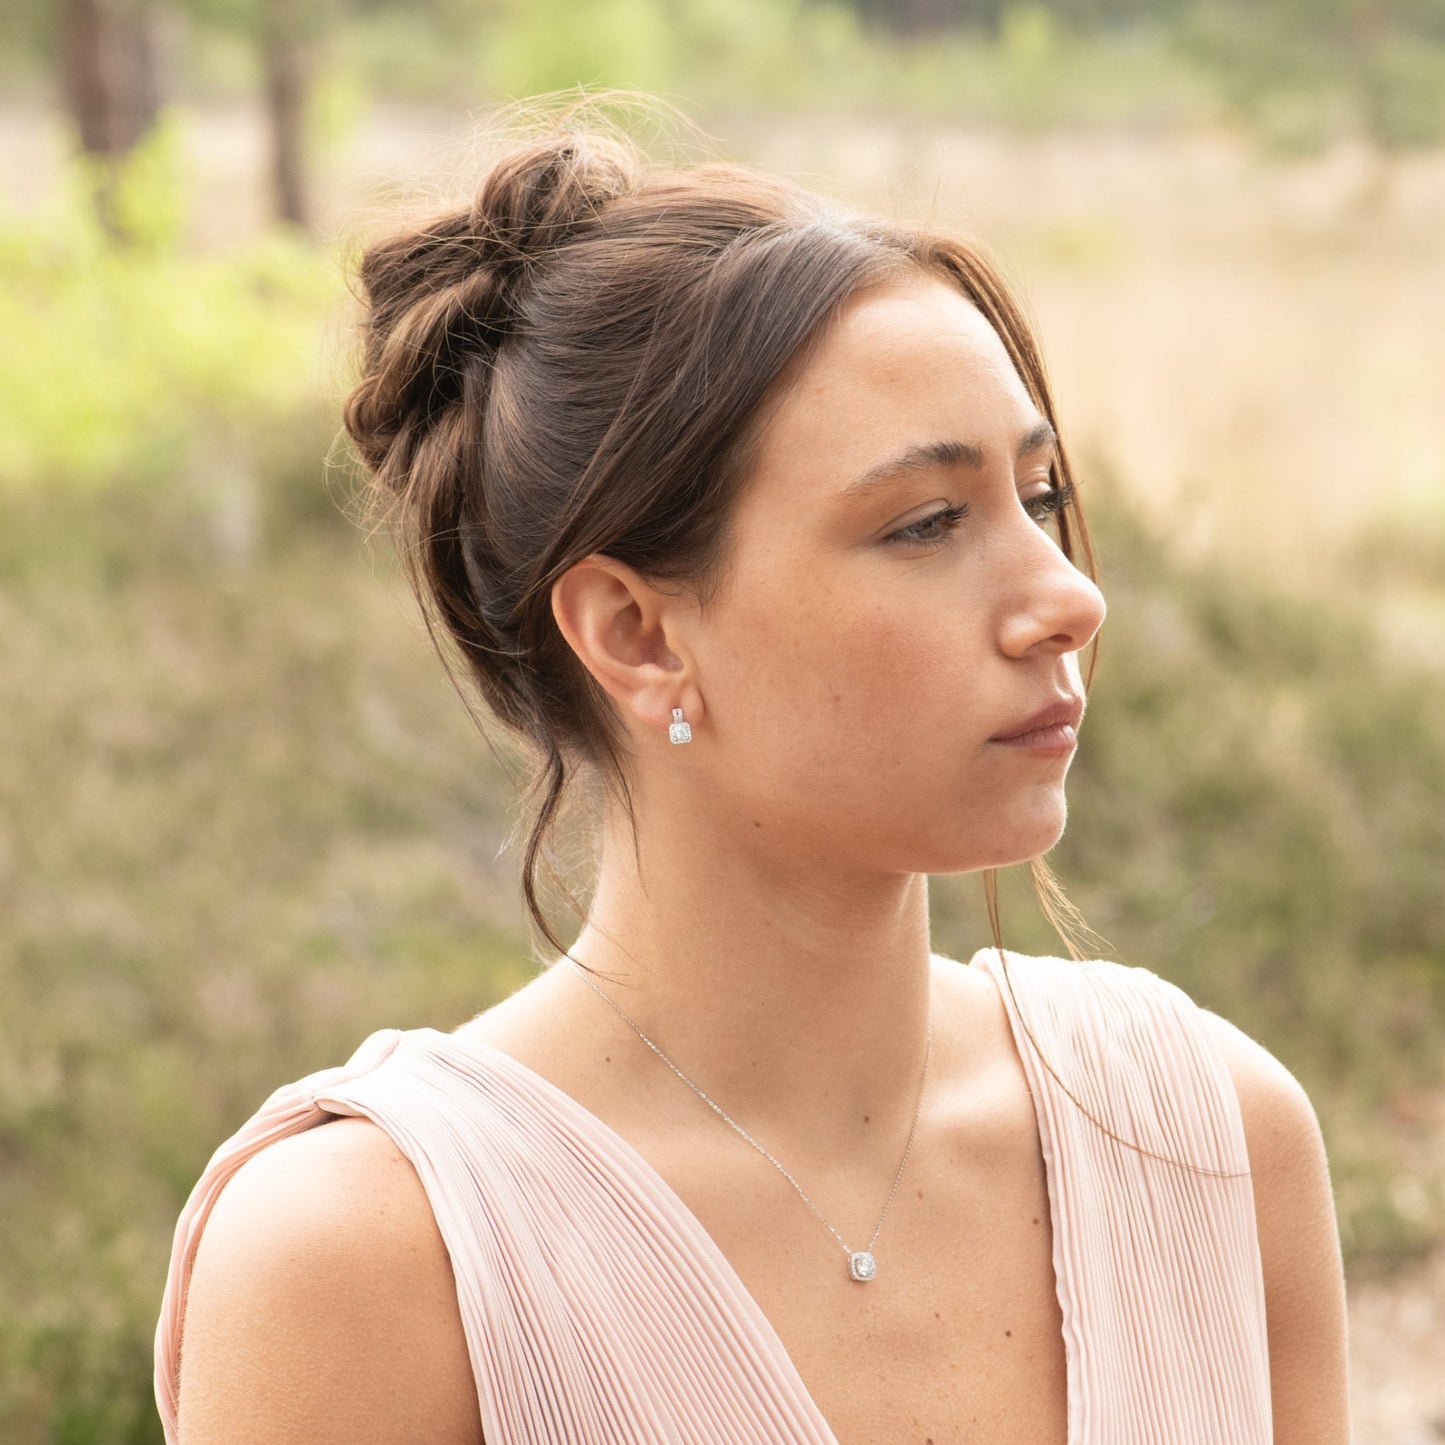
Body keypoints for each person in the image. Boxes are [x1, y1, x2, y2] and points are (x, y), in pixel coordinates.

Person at [154, 102, 1351, 1444]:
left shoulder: (1208, 1139)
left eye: (1042, 495)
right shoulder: (368, 1260)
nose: (1064, 596)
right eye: (925, 522)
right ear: (637, 634)